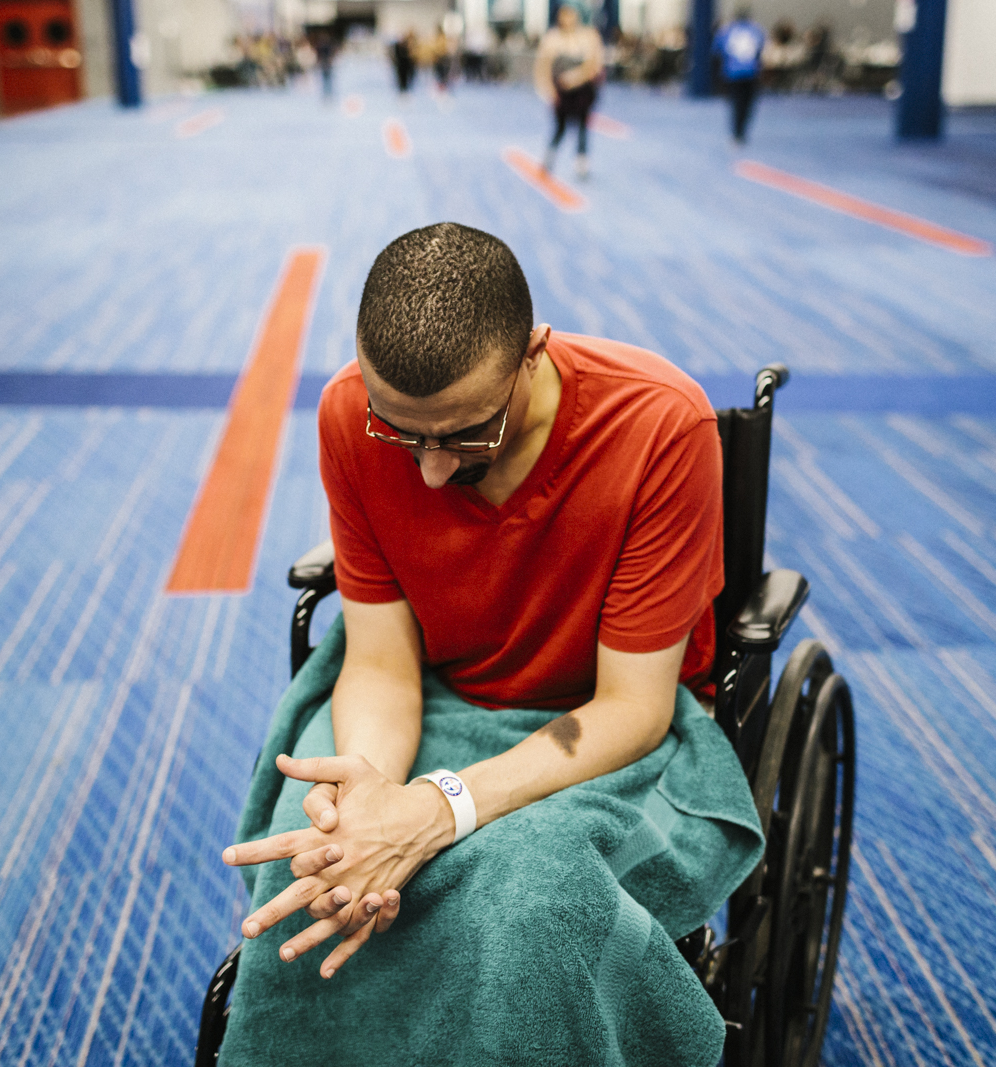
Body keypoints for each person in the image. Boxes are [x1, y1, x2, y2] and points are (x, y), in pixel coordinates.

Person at [216, 223, 763, 1065]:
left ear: (534, 355)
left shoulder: (659, 423)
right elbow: (382, 666)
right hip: (432, 692)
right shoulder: (345, 412)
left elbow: (631, 708)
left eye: (465, 432)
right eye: (405, 433)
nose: (431, 471)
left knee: (533, 900)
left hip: (602, 727)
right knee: (318, 862)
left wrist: (437, 809)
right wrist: (370, 794)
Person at [534, 4, 603, 179]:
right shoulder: (552, 38)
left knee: (582, 126)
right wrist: (548, 90)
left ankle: (582, 163)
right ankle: (549, 159)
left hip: (582, 91)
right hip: (561, 92)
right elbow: (543, 66)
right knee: (560, 127)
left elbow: (594, 64)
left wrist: (577, 77)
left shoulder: (588, 36)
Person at [714, 7, 765, 144]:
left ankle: (736, 133)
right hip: (751, 73)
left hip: (733, 73)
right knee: (747, 104)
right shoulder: (756, 30)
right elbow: (761, 50)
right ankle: (741, 131)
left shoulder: (727, 30)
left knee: (736, 103)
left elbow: (717, 49)